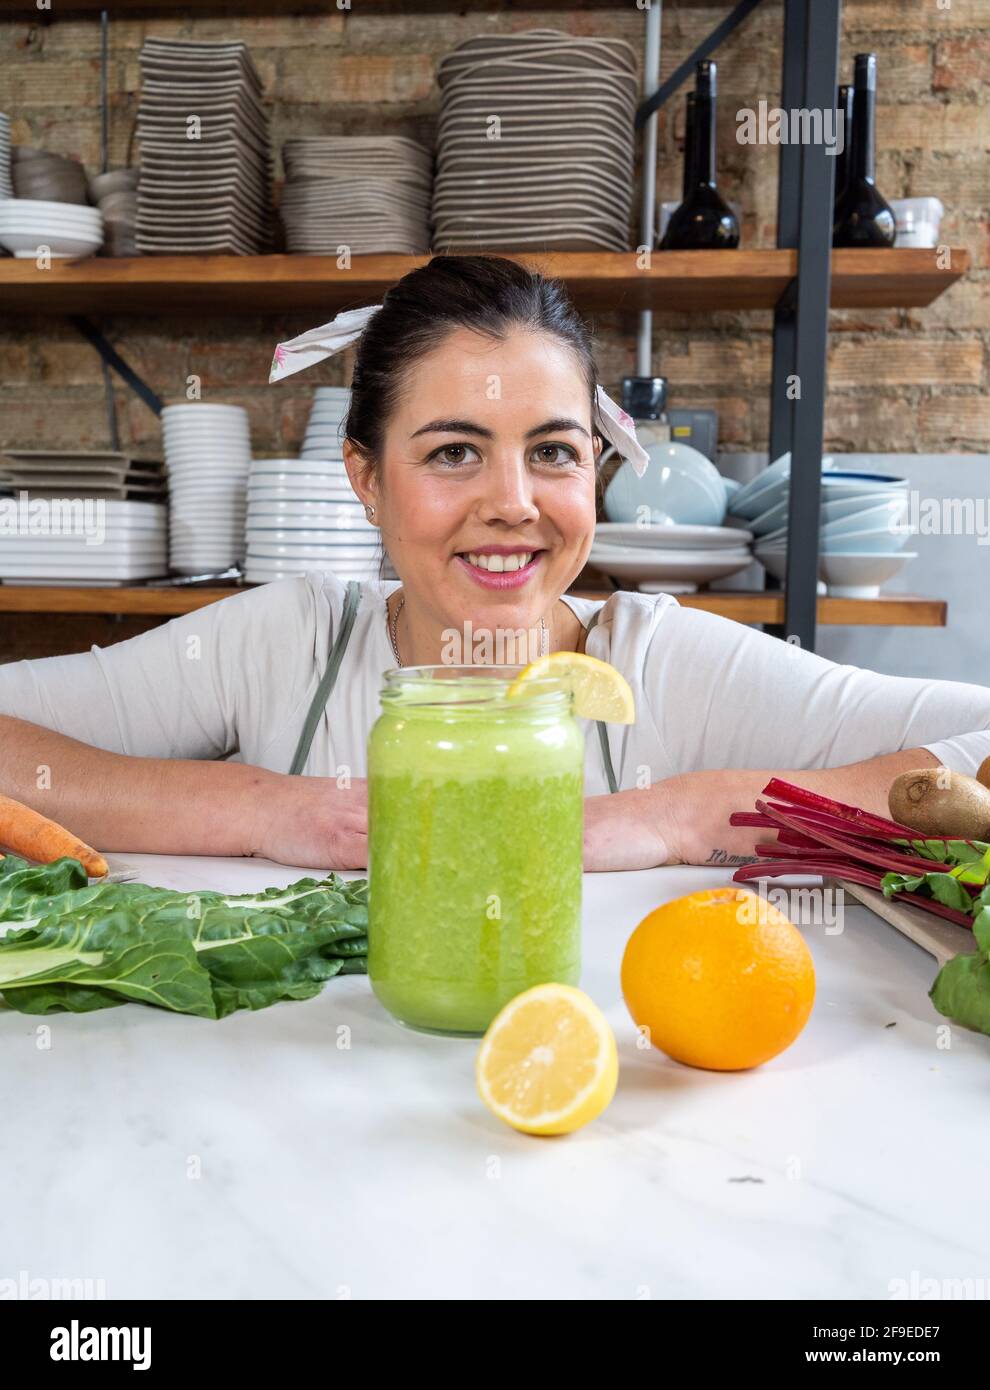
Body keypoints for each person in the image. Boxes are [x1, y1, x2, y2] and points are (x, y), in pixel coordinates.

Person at [1, 255, 988, 872]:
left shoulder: (662, 666)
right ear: (366, 477)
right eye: (453, 451)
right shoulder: (286, 642)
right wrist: (274, 808)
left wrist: (681, 812)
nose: (514, 501)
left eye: (553, 451)